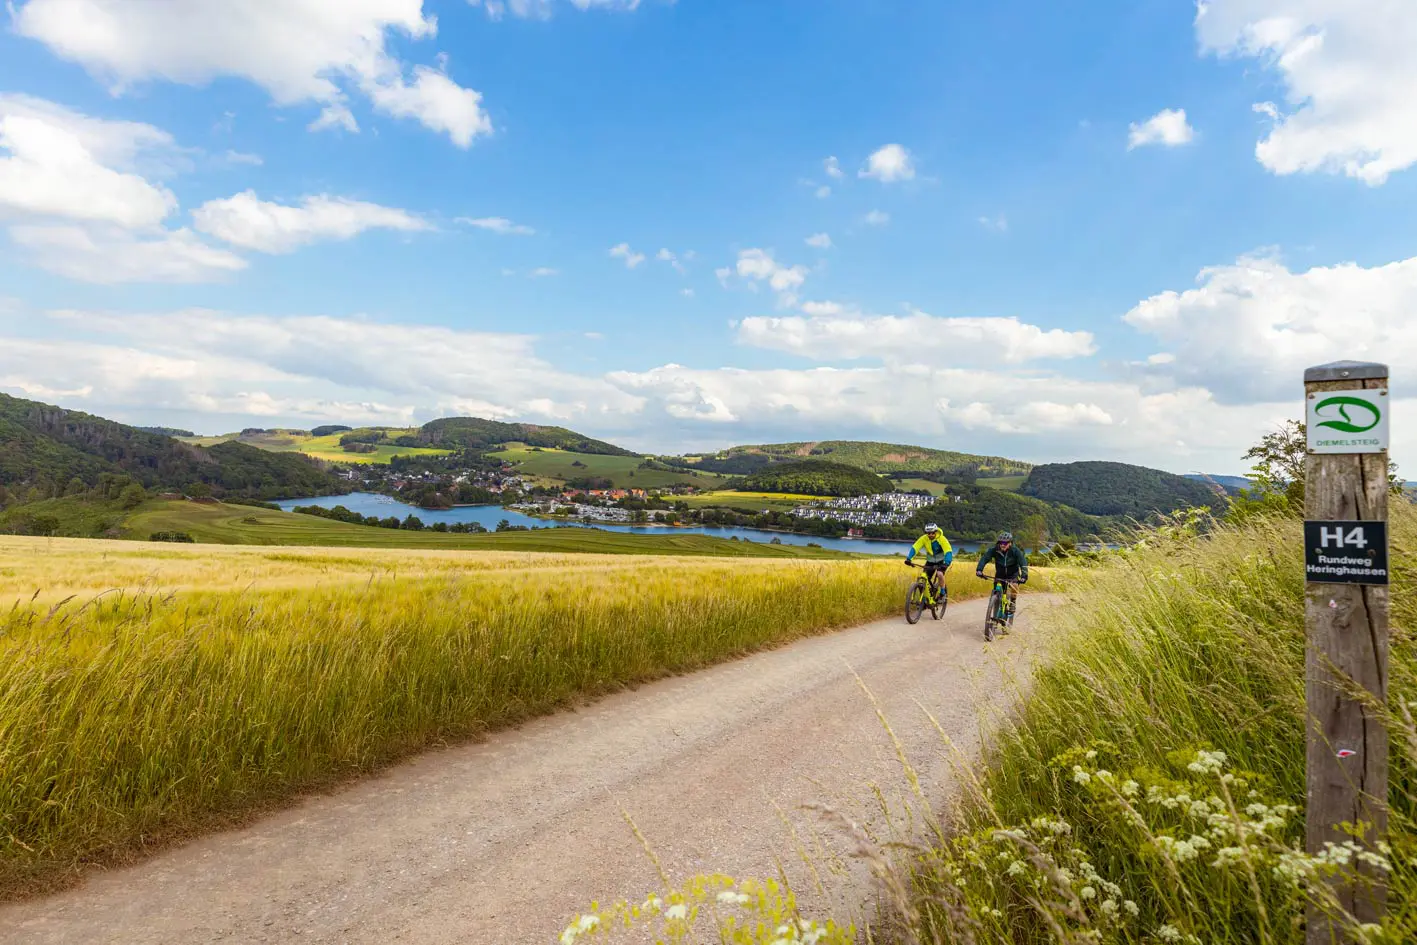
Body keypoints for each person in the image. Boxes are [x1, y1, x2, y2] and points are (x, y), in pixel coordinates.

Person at [976, 531, 1028, 626]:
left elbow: (1023, 563)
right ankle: (995, 611)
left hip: (1012, 574)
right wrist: (979, 570)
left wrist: (1024, 576)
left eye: (1005, 543)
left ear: (1010, 543)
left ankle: (1012, 602)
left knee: (1014, 585)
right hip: (1000, 574)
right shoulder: (994, 550)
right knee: (996, 592)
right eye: (1000, 543)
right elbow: (985, 558)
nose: (1002, 545)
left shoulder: (1015, 551)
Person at [905, 523, 953, 602]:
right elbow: (915, 547)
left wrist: (946, 563)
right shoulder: (924, 538)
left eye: (932, 533)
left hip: (942, 561)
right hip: (930, 561)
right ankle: (923, 601)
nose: (930, 535)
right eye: (928, 533)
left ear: (936, 532)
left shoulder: (942, 539)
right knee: (923, 579)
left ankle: (942, 594)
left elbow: (948, 551)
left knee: (940, 574)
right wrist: (909, 559)